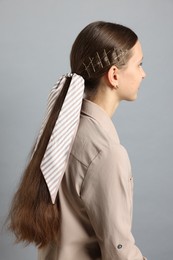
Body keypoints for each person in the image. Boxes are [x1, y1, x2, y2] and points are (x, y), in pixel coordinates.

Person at [7, 21, 147, 259]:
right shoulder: (107, 152)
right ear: (114, 75)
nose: (144, 73)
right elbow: (119, 251)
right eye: (139, 64)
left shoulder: (62, 127)